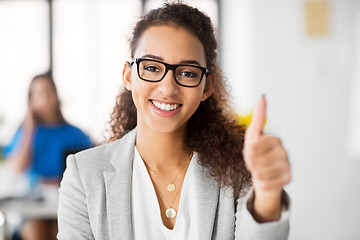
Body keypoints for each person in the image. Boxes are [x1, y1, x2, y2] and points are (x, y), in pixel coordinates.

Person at [57, 3, 291, 240]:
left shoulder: (236, 171)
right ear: (128, 76)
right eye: (151, 67)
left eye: (187, 72)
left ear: (207, 86)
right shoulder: (84, 174)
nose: (168, 88)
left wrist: (268, 193)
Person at [3, 73, 93, 240]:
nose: (45, 98)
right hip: (33, 207)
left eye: (49, 92)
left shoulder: (76, 134)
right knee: (36, 231)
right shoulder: (25, 133)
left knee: (60, 231)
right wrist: (29, 127)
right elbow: (17, 167)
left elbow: (91, 171)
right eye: (39, 93)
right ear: (31, 101)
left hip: (65, 203)